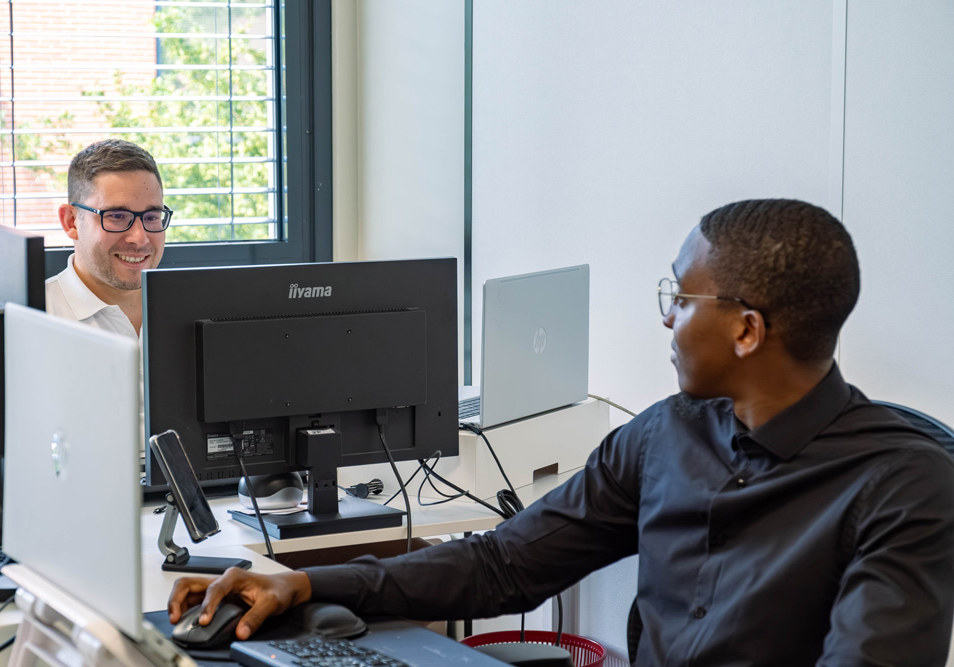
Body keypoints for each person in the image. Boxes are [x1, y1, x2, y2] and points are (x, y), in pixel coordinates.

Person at [168, 199, 954, 666]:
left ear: (746, 330)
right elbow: (503, 563)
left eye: (679, 298)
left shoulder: (904, 485)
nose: (667, 320)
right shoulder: (666, 435)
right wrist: (308, 583)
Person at [45, 139, 170, 337]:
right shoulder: (33, 319)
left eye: (151, 217)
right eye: (117, 216)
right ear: (71, 222)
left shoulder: (195, 307)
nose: (140, 238)